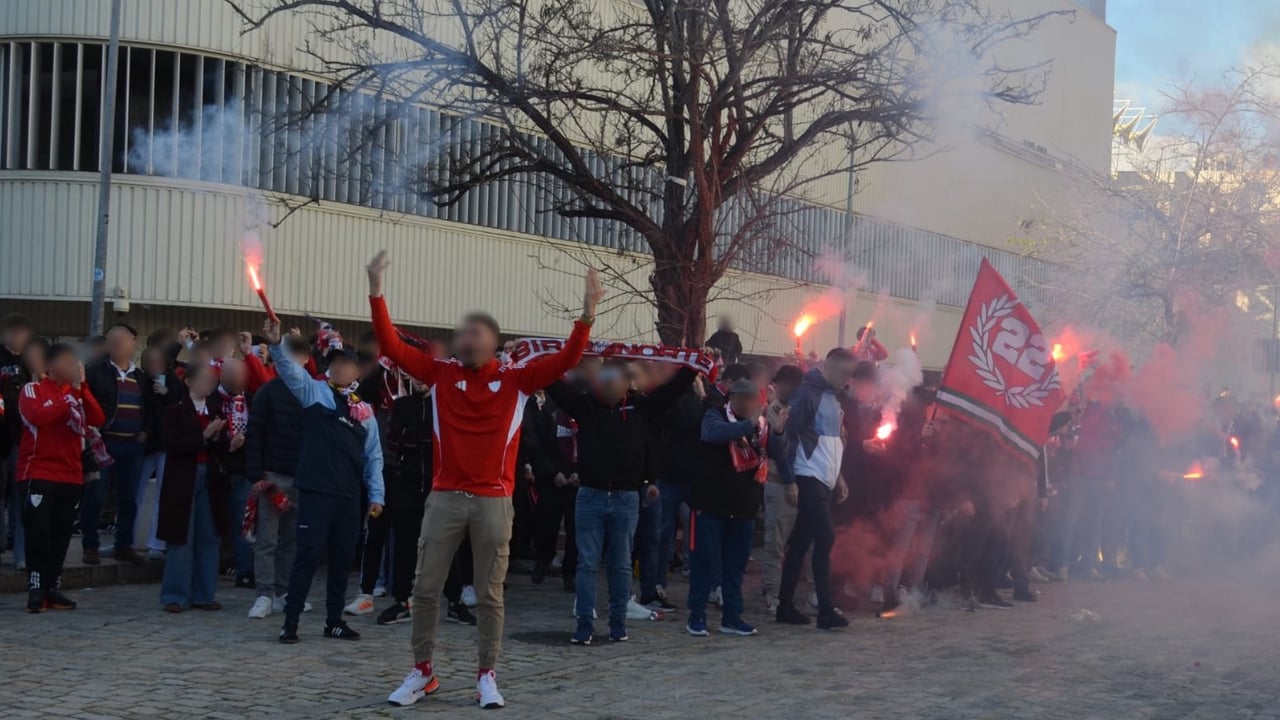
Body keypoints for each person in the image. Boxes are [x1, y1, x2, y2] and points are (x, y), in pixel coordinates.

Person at [370, 250, 599, 710]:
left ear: (494, 342)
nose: (465, 338)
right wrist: (376, 290)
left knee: (490, 594)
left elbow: (567, 359)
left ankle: (486, 676)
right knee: (425, 589)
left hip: (494, 499)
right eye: (462, 333)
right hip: (444, 497)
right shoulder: (439, 374)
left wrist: (587, 314)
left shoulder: (518, 380)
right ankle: (423, 672)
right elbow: (391, 346)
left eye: (475, 333)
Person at [548, 359, 696, 646]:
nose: (608, 385)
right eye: (604, 379)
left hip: (625, 497)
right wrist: (539, 360)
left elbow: (672, 391)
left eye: (614, 379)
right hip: (590, 495)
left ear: (627, 383)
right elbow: (554, 387)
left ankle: (617, 623)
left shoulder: (641, 408)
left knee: (621, 564)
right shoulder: (585, 406)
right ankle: (584, 624)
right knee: (587, 563)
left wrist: (693, 366)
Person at [261, 318, 384, 644]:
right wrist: (276, 344)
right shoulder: (314, 392)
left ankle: (334, 622)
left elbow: (374, 456)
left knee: (342, 560)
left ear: (357, 373)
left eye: (346, 364)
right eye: (336, 363)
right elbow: (290, 371)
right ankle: (290, 623)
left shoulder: (364, 411)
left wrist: (377, 495)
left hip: (348, 496)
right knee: (307, 556)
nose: (339, 368)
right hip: (316, 491)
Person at [363, 379, 477, 627]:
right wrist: (423, 439)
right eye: (415, 375)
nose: (419, 381)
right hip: (407, 483)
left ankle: (454, 601)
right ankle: (401, 600)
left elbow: (454, 441)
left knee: (447, 544)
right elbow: (394, 440)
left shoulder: (446, 403)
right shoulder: (402, 404)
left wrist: (422, 440)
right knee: (405, 544)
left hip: (440, 485)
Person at [17, 343, 106, 612]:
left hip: (71, 475)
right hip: (38, 472)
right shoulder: (32, 389)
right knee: (38, 533)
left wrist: (82, 389)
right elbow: (38, 417)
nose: (72, 366)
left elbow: (97, 417)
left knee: (61, 535)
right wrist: (68, 398)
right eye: (66, 361)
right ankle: (36, 588)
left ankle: (52, 586)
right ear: (51, 366)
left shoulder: (76, 392)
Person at [775, 348, 856, 630]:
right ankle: (825, 610)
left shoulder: (832, 398)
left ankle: (785, 606)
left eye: (850, 374)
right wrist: (789, 479)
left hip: (822, 478)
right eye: (843, 373)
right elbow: (787, 437)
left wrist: (838, 477)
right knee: (825, 537)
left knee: (800, 543)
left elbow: (832, 443)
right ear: (828, 367)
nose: (847, 379)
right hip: (808, 476)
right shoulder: (807, 395)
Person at [687, 379, 768, 637]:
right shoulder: (715, 415)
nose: (746, 403)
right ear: (731, 398)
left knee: (735, 567)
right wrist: (748, 423)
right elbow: (714, 434)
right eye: (741, 398)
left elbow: (774, 452)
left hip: (743, 507)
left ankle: (732, 617)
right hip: (711, 505)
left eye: (751, 400)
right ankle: (696, 616)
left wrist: (777, 431)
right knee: (704, 563)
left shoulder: (760, 426)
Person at [243, 335, 308, 620]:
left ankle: (285, 592)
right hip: (272, 475)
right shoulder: (268, 392)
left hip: (303, 478)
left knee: (292, 541)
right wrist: (256, 474)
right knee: (266, 540)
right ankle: (264, 594)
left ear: (306, 360)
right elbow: (254, 433)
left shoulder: (313, 391)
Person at [156, 363, 228, 612]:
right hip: (182, 478)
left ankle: (204, 594)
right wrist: (203, 436)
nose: (209, 383)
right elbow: (172, 444)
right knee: (181, 538)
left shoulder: (216, 409)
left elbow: (221, 448)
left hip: (210, 477)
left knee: (209, 537)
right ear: (188, 382)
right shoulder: (174, 411)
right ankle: (175, 596)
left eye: (212, 379)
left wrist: (221, 438)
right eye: (204, 378)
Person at [83, 323, 156, 566]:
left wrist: (145, 432)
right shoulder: (95, 372)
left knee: (129, 498)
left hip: (133, 446)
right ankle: (90, 545)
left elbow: (150, 409)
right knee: (95, 496)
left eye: (122, 341)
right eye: (113, 341)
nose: (117, 346)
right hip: (103, 443)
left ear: (133, 344)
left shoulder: (141, 378)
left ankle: (124, 545)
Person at [524, 386, 581, 591]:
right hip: (551, 478)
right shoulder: (548, 412)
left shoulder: (584, 412)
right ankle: (543, 560)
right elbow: (536, 446)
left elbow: (594, 445)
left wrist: (580, 472)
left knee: (576, 530)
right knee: (546, 525)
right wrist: (552, 472)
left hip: (577, 481)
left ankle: (570, 573)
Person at [761, 364, 803, 611]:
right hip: (779, 482)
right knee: (775, 543)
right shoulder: (772, 411)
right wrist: (788, 481)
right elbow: (778, 450)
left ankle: (788, 591)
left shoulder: (800, 409)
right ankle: (772, 593)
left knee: (797, 544)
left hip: (800, 482)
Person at [216, 358, 255, 588]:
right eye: (232, 375)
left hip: (242, 468)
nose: (237, 380)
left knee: (242, 519)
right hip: (216, 466)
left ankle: (244, 569)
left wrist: (245, 440)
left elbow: (259, 430)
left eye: (241, 375)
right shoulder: (212, 399)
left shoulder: (251, 400)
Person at [0, 313, 35, 569]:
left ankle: (21, 555)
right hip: (2, 436)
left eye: (22, 332)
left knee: (20, 498)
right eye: (13, 331)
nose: (17, 336)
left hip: (24, 439)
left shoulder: (30, 361)